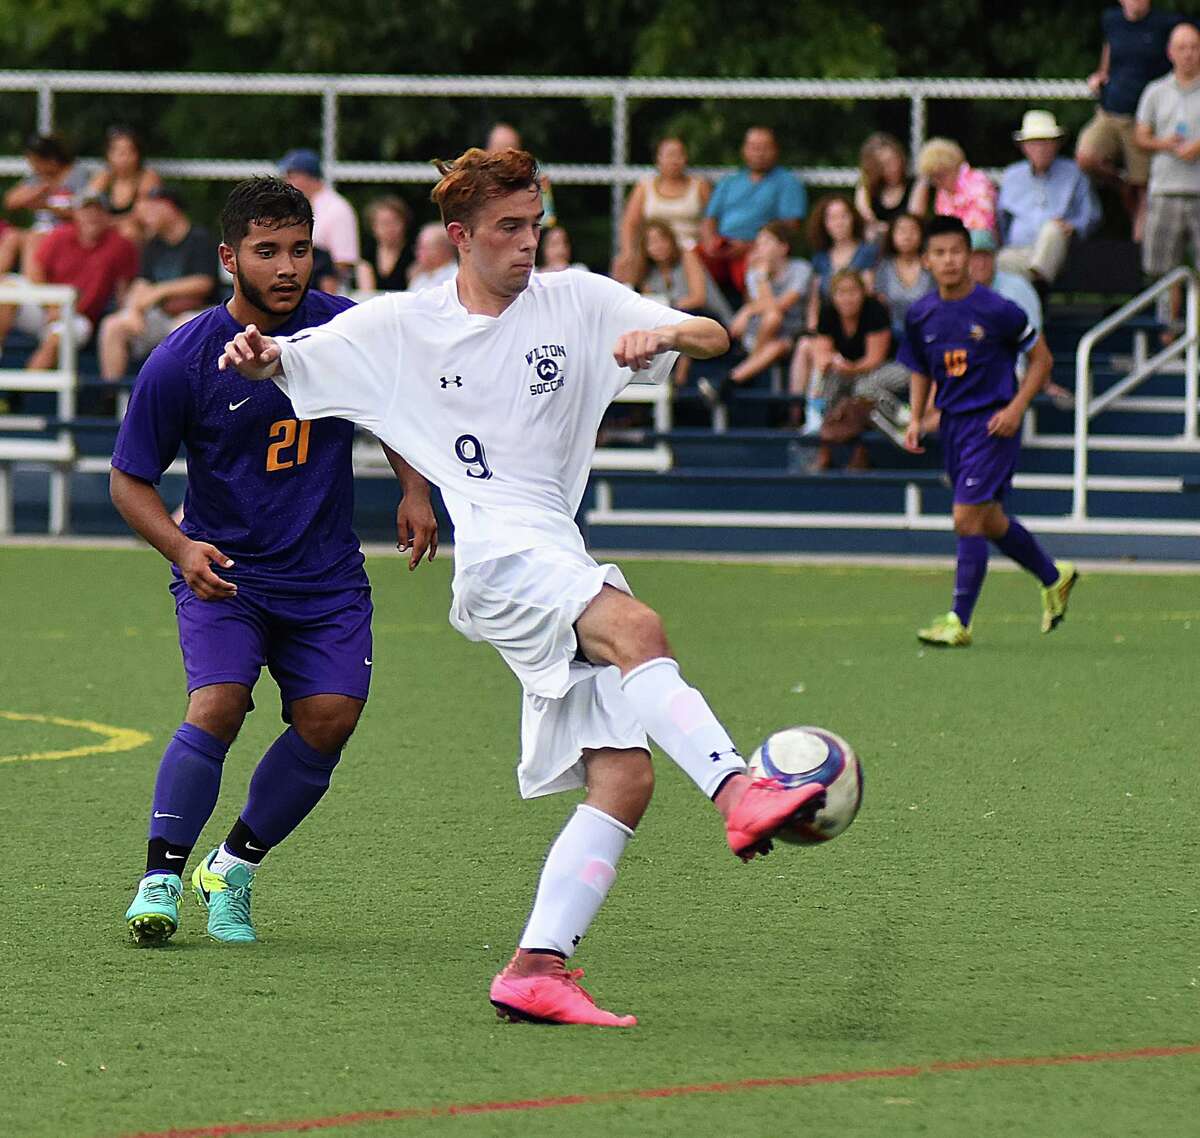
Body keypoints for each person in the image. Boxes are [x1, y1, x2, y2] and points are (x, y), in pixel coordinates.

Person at [218, 146, 825, 1027]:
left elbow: (717, 333)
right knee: (636, 627)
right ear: (460, 237)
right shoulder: (403, 326)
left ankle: (536, 967)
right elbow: (291, 359)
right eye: (507, 228)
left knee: (623, 777)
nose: (526, 243)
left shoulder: (577, 300)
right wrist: (258, 355)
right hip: (501, 560)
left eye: (534, 224)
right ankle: (739, 792)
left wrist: (667, 333)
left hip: (553, 549)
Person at [113, 177, 436, 947]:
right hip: (227, 573)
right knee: (218, 704)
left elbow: (390, 403)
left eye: (299, 250)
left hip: (325, 576)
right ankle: (160, 875)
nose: (287, 267)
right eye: (267, 252)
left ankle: (234, 864)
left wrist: (414, 488)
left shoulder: (341, 330)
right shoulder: (182, 360)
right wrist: (182, 547)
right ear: (229, 257)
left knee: (331, 719)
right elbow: (129, 481)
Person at [899, 215, 1078, 647]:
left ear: (971, 257)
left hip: (993, 424)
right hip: (953, 426)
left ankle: (959, 621)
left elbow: (1042, 361)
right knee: (990, 520)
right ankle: (1055, 577)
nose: (949, 261)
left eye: (957, 252)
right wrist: (916, 418)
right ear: (926, 260)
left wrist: (1016, 408)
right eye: (938, 253)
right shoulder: (921, 314)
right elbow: (921, 370)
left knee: (965, 517)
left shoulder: (997, 310)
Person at [0, 190, 139, 371]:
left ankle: (15, 397)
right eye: (86, 210)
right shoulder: (59, 236)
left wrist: (127, 313)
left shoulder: (120, 245)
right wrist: (51, 306)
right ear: (76, 214)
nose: (92, 216)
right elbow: (36, 270)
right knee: (9, 287)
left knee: (57, 339)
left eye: (98, 211)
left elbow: (124, 287)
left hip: (78, 317)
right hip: (46, 307)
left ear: (107, 216)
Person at [1077, 1, 1181, 239]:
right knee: (1085, 157)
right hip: (1111, 111)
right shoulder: (1111, 20)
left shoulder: (1165, 23)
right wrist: (1102, 73)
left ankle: (1139, 257)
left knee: (1144, 191)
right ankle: (1121, 184)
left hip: (1144, 119)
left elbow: (1185, 47)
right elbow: (1110, 47)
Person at [98, 186, 216, 384]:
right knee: (113, 325)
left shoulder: (200, 239)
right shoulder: (154, 244)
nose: (145, 214)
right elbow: (141, 283)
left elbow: (203, 283)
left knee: (181, 332)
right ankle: (111, 395)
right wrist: (134, 310)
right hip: (160, 316)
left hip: (195, 314)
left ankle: (178, 402)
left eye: (152, 207)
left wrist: (159, 291)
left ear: (170, 208)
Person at [804, 269, 910, 469]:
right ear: (834, 296)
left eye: (852, 292)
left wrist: (848, 369)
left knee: (863, 388)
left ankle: (896, 425)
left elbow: (874, 359)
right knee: (829, 383)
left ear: (862, 293)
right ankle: (825, 447)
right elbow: (823, 354)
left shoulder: (875, 310)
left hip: (889, 366)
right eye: (841, 293)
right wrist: (833, 363)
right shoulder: (827, 312)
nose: (847, 298)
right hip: (849, 369)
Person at [789, 195, 878, 431]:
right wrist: (814, 329)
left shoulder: (867, 252)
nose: (838, 222)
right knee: (806, 347)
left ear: (852, 219)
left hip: (856, 326)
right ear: (824, 223)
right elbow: (816, 299)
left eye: (843, 216)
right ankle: (797, 412)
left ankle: (814, 415)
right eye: (832, 217)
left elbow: (868, 293)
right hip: (828, 326)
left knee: (818, 352)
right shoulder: (820, 258)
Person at [1135, 19, 1200, 333]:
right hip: (1165, 191)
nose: (1188, 53)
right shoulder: (1155, 91)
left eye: (1194, 47)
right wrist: (1167, 145)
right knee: (1163, 271)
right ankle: (1168, 336)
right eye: (1182, 47)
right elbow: (1140, 136)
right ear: (1170, 53)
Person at [997, 111, 1101, 286]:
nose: (1041, 149)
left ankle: (1038, 283)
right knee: (997, 262)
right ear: (1024, 147)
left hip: (1057, 252)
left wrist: (1074, 226)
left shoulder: (1074, 173)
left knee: (1052, 229)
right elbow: (1002, 220)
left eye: (1046, 142)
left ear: (1056, 145)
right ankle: (1034, 279)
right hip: (1018, 251)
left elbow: (1092, 214)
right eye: (1035, 143)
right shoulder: (1011, 176)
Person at [699, 126, 807, 296]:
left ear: (775, 150)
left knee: (756, 262)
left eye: (765, 148)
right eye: (754, 147)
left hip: (756, 248)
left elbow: (790, 228)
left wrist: (750, 246)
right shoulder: (730, 181)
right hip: (722, 246)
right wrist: (710, 244)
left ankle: (743, 318)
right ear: (744, 150)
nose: (759, 153)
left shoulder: (788, 182)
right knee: (690, 257)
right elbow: (709, 219)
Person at [723, 221, 812, 391]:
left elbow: (780, 306)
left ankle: (735, 377)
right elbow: (765, 307)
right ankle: (741, 376)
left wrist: (749, 308)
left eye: (766, 242)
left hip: (791, 332)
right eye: (759, 243)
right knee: (773, 330)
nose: (759, 248)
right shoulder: (754, 272)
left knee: (774, 322)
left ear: (783, 247)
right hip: (759, 332)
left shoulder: (801, 269)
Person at [614, 137, 711, 280]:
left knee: (690, 255)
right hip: (653, 250)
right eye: (669, 155)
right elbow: (629, 223)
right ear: (658, 158)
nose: (674, 160)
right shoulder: (644, 186)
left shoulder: (700, 185)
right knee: (623, 263)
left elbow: (711, 220)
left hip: (690, 251)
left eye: (679, 155)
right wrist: (627, 252)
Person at [0, 134, 90, 275]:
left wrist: (46, 205)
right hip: (40, 230)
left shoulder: (77, 174)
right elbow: (10, 201)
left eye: (36, 162)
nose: (34, 167)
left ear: (52, 160)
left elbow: (82, 211)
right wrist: (36, 192)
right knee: (11, 236)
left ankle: (33, 287)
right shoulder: (38, 178)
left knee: (33, 239)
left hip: (67, 231)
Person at [278, 148, 360, 284]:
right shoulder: (299, 207)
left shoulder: (337, 209)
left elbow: (343, 262)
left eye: (291, 176)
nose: (286, 182)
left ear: (307, 176)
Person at [631, 220, 732, 322]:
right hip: (671, 321)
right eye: (652, 243)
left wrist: (668, 305)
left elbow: (699, 298)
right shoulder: (648, 272)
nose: (659, 246)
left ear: (671, 240)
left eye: (662, 240)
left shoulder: (686, 257)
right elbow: (649, 302)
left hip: (704, 317)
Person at [86, 125, 163, 241]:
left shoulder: (147, 178)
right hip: (107, 228)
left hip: (139, 234)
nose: (124, 158)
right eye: (118, 152)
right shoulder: (104, 176)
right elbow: (86, 201)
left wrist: (110, 222)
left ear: (138, 154)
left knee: (128, 230)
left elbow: (143, 214)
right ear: (108, 155)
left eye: (129, 152)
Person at [873, 214, 935, 347]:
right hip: (892, 338)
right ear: (892, 235)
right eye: (901, 230)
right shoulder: (884, 266)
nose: (907, 236)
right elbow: (880, 302)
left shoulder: (931, 265)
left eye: (913, 230)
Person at [917, 138, 997, 235]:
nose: (936, 182)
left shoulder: (978, 181)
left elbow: (982, 224)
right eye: (932, 177)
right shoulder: (943, 193)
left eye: (940, 175)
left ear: (953, 167)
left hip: (980, 239)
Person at [854, 133, 923, 243]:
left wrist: (883, 228)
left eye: (895, 159)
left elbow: (913, 221)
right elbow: (865, 216)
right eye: (885, 164)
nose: (894, 167)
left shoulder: (916, 184)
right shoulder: (869, 187)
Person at [487, 122, 556, 227]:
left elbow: (547, 219)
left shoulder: (534, 173)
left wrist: (543, 195)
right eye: (500, 150)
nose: (506, 157)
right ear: (487, 151)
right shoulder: (477, 178)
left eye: (512, 151)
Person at [355, 196, 413, 292]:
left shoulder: (414, 252)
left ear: (404, 223)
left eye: (394, 222)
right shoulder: (367, 253)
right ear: (373, 227)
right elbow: (366, 293)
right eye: (384, 223)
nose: (389, 228)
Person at [407, 222, 458, 291]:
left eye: (424, 248)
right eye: (418, 247)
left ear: (443, 249)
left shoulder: (455, 276)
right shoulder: (420, 277)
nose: (418, 252)